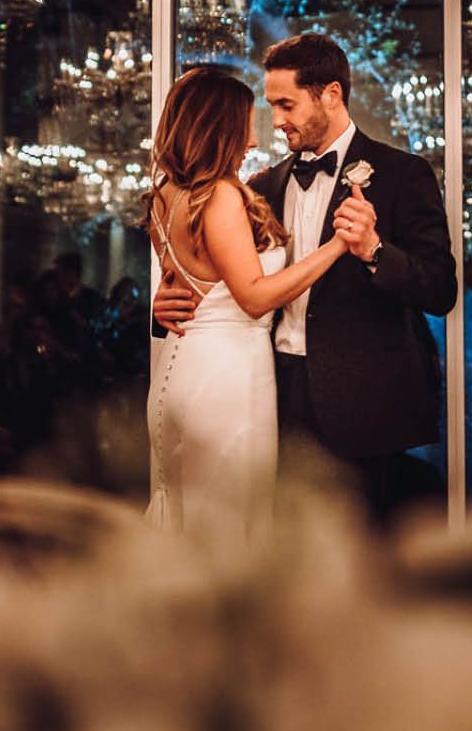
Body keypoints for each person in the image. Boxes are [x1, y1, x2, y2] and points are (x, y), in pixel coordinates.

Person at [152, 32, 457, 524]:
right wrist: (160, 311)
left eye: (286, 104)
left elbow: (440, 289)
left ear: (331, 94)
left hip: (363, 405)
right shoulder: (259, 186)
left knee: (360, 562)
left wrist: (374, 251)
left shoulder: (403, 174)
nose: (276, 121)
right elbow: (214, 275)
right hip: (268, 396)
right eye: (271, 105)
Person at [143, 65, 350, 540]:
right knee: (227, 523)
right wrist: (336, 246)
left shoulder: (164, 197)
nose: (254, 140)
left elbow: (191, 282)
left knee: (184, 512)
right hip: (227, 379)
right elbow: (253, 298)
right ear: (218, 126)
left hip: (181, 367)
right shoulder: (218, 196)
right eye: (246, 124)